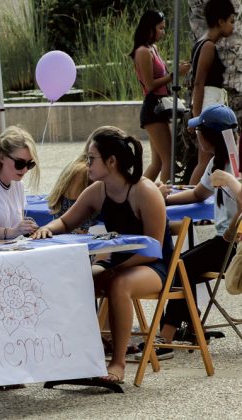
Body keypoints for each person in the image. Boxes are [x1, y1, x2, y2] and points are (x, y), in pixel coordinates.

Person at [32, 126, 173, 384]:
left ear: (111, 161)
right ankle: (78, 357)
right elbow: (65, 222)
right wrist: (46, 229)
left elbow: (153, 249)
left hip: (154, 266)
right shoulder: (98, 190)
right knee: (74, 280)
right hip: (118, 264)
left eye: (91, 158)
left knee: (119, 284)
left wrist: (115, 269)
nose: (86, 164)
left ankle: (117, 363)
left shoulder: (145, 191)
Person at [154, 104, 240, 356]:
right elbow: (198, 193)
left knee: (180, 266)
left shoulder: (235, 166)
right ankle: (191, 327)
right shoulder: (217, 162)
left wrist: (230, 232)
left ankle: (165, 338)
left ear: (209, 136)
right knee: (183, 264)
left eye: (199, 131)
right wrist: (162, 199)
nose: (195, 135)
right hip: (223, 241)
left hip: (233, 245)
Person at [130, 10, 190, 183]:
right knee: (168, 160)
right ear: (150, 28)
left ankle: (136, 192)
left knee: (157, 163)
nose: (163, 32)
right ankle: (163, 196)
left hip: (160, 107)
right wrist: (174, 75)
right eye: (160, 28)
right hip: (153, 108)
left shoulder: (153, 48)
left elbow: (162, 76)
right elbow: (150, 85)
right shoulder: (143, 51)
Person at [188, 0, 236, 185]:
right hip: (209, 105)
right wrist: (197, 117)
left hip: (211, 104)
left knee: (207, 159)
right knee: (205, 159)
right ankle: (192, 194)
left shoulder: (203, 44)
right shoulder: (208, 46)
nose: (233, 26)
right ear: (220, 21)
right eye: (231, 21)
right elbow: (199, 82)